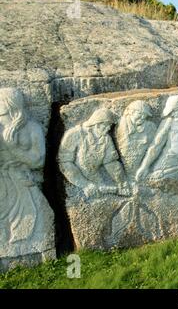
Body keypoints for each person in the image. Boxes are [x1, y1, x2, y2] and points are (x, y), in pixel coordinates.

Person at [0, 88, 52, 254]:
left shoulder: (32, 128)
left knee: (29, 217)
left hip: (24, 182)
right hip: (2, 183)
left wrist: (14, 149)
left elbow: (38, 161)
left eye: (3, 113)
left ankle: (33, 248)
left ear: (13, 108)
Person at [59, 108, 131, 197]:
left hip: (98, 180)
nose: (109, 128)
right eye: (107, 125)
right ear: (97, 123)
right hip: (80, 179)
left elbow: (111, 162)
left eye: (110, 125)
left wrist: (122, 182)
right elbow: (65, 163)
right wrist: (84, 184)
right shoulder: (74, 134)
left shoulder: (105, 139)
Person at [116, 101, 156, 179]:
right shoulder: (121, 124)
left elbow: (154, 147)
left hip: (141, 167)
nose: (143, 117)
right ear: (131, 112)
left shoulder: (150, 127)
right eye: (140, 114)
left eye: (145, 115)